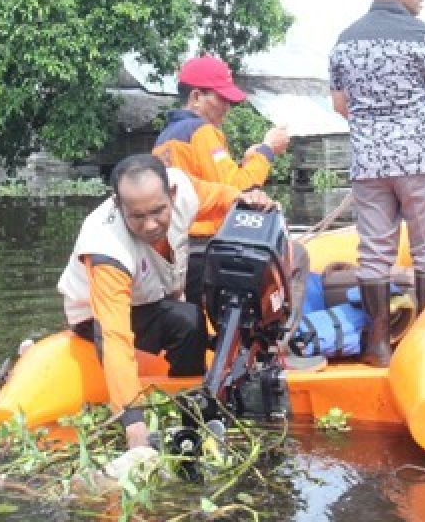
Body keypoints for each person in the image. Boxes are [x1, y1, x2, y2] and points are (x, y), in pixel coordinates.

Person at [55, 153, 276, 469]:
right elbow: (115, 336)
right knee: (188, 321)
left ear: (172, 195)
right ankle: (186, 400)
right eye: (137, 216)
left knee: (223, 279)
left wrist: (248, 198)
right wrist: (135, 427)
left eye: (159, 211)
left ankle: (195, 390)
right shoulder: (107, 249)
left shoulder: (183, 188)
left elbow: (219, 196)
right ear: (119, 207)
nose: (150, 225)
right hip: (97, 315)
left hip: (159, 293)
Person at [328, 0, 425, 367]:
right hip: (420, 159)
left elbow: (339, 104)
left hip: (369, 163)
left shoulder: (345, 40)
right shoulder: (424, 36)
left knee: (375, 255)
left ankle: (377, 345)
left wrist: (373, 130)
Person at [153, 54, 290, 305]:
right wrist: (267, 151)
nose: (227, 106)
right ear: (196, 97)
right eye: (221, 98)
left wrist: (249, 159)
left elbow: (207, 185)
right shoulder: (202, 132)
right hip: (203, 250)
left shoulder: (166, 138)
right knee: (294, 259)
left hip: (175, 251)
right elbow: (239, 189)